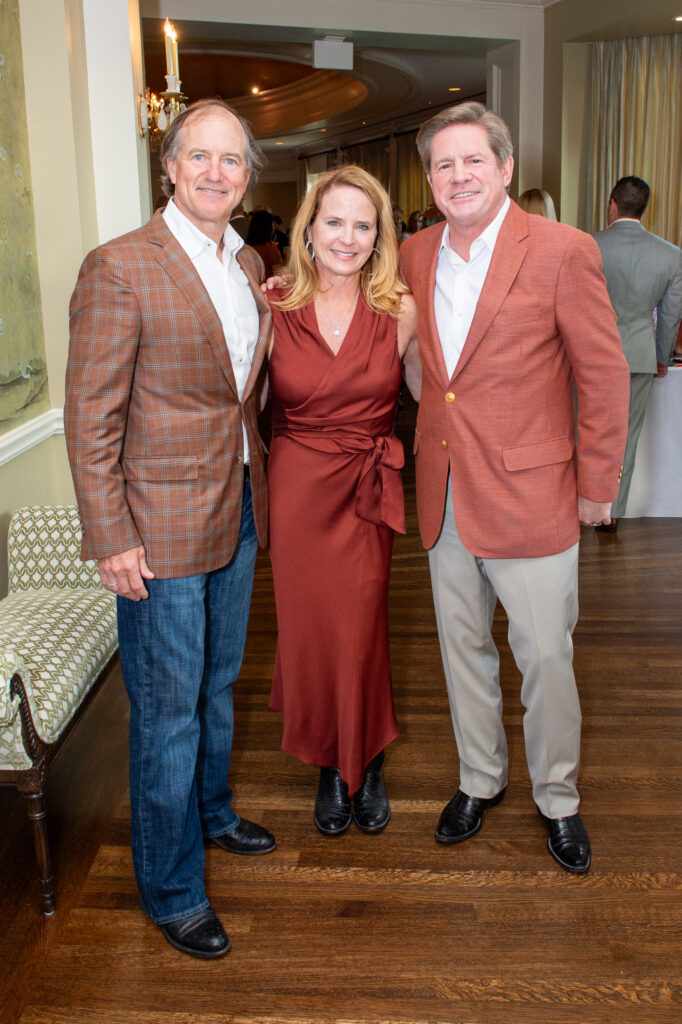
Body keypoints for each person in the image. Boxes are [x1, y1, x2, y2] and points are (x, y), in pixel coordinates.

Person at [64, 99, 276, 960]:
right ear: (170, 166)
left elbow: (238, 386)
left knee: (216, 687)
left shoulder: (248, 259)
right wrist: (112, 536)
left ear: (247, 174)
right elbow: (90, 418)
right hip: (155, 527)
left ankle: (213, 813)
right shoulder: (119, 266)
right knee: (164, 713)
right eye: (201, 157)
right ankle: (172, 888)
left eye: (232, 160)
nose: (216, 173)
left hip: (238, 507)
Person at [400, 101, 629, 873]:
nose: (458, 175)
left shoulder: (563, 250)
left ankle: (558, 798)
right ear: (429, 178)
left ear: (504, 169)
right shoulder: (413, 254)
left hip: (534, 495)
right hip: (446, 492)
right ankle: (480, 778)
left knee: (544, 657)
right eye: (443, 164)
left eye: (473, 161)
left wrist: (599, 484)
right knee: (463, 649)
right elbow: (421, 367)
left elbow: (602, 375)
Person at [266, 165, 419, 837]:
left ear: (379, 235)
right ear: (309, 228)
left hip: (364, 489)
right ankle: (330, 764)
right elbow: (247, 404)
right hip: (298, 490)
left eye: (364, 224)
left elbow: (437, 392)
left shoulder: (401, 309)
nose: (348, 237)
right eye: (335, 221)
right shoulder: (272, 304)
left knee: (361, 628)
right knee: (309, 632)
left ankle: (368, 758)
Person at [593, 176, 682, 532]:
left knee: (587, 431)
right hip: (640, 356)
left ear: (611, 204)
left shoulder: (587, 245)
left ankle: (582, 505)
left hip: (592, 357)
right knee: (626, 438)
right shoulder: (671, 255)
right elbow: (671, 316)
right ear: (645, 210)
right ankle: (612, 512)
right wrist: (661, 357)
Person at [246, 209, 283, 277]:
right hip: (268, 285)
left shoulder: (245, 248)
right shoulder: (271, 249)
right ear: (268, 227)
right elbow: (278, 273)